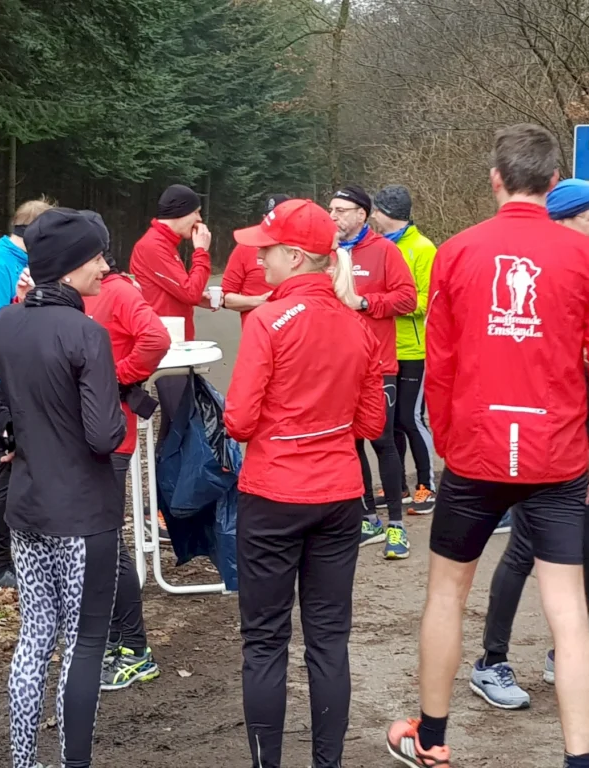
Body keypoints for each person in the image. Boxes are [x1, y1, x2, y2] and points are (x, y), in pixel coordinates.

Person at [386, 124, 589, 768]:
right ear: (555, 184)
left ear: (495, 179)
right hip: (556, 455)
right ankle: (577, 759)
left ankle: (433, 739)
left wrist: (446, 436)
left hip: (476, 451)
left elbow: (438, 361)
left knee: (446, 594)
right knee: (568, 613)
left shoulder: (458, 252)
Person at [0, 208, 126, 768]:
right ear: (70, 267)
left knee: (34, 638)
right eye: (97, 257)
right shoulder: (87, 333)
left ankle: (24, 761)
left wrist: (5, 421)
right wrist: (129, 403)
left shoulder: (8, 323)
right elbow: (103, 434)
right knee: (83, 645)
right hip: (84, 514)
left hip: (26, 510)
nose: (104, 267)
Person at [224, 199, 386, 768]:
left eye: (265, 249)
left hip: (274, 494)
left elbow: (239, 421)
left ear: (294, 256)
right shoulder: (357, 325)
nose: (258, 258)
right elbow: (371, 423)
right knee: (328, 640)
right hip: (339, 497)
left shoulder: (269, 320)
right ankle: (328, 764)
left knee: (265, 641)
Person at [470, 178, 589, 711]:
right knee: (525, 547)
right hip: (537, 432)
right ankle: (491, 662)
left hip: (585, 432)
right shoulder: (543, 268)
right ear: (561, 219)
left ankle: (567, 651)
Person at [79, 210, 171, 692]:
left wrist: (118, 377)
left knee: (107, 546)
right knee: (97, 545)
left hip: (112, 436)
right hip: (80, 437)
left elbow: (156, 338)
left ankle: (136, 649)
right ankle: (114, 641)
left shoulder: (115, 290)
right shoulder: (71, 293)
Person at [329, 185, 417, 559]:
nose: (333, 217)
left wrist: (364, 302)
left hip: (378, 365)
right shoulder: (327, 255)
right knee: (351, 442)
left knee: (382, 440)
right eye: (330, 210)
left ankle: (396, 525)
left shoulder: (385, 251)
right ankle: (368, 516)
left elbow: (407, 298)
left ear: (362, 215)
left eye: (340, 210)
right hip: (339, 367)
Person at [0, 197, 53, 590]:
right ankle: (0, 564)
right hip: (1, 382)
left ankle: (21, 556)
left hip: (23, 379)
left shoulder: (25, 264)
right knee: (9, 465)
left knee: (26, 465)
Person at [371, 185, 438, 514]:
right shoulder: (377, 246)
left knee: (411, 419)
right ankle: (396, 485)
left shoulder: (423, 248)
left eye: (376, 210)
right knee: (389, 421)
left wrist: (386, 304)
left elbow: (427, 301)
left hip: (414, 348)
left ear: (389, 213)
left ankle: (427, 485)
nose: (372, 216)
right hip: (383, 349)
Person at [130, 183, 213, 343]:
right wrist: (201, 251)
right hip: (163, 343)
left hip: (172, 339)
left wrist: (198, 298)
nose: (199, 219)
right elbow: (190, 293)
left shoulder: (165, 243)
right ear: (180, 212)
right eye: (195, 212)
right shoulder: (153, 245)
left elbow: (177, 290)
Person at [221, 194, 290, 326]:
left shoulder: (305, 250)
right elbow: (225, 298)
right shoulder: (245, 247)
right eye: (270, 217)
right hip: (256, 335)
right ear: (264, 219)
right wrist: (261, 301)